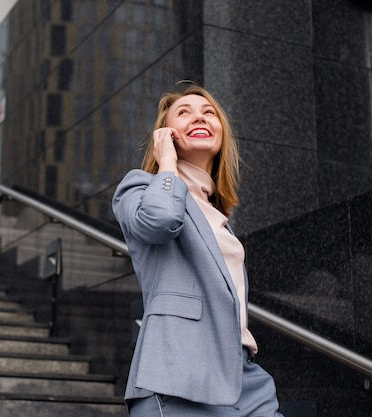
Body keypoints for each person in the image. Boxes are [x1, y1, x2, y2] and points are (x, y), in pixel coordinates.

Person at [112, 82, 283, 417]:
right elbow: (159, 222)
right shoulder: (140, 187)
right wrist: (166, 164)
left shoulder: (218, 215)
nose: (198, 117)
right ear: (165, 133)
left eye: (209, 113)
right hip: (179, 372)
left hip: (243, 374)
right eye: (184, 112)